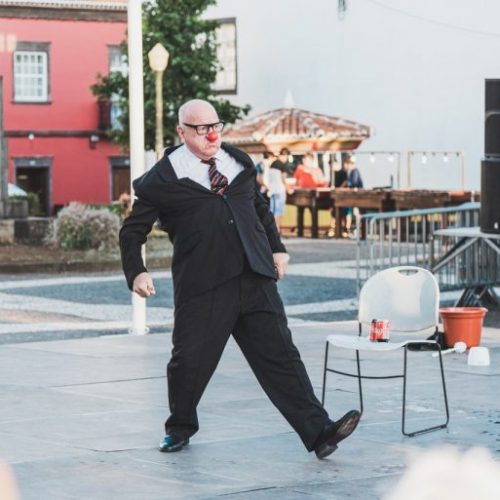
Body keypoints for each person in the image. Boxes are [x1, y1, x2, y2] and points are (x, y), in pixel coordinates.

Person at [119, 99, 360, 459]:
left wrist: (277, 248)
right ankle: (179, 428)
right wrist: (136, 271)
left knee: (281, 356)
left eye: (214, 125)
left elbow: (259, 210)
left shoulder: (238, 162)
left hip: (255, 277)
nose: (211, 134)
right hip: (204, 286)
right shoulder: (163, 178)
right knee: (189, 361)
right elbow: (131, 231)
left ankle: (319, 432)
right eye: (200, 129)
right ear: (182, 132)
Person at [268, 147, 291, 233]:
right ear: (285, 155)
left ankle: (272, 230)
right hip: (280, 191)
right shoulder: (283, 165)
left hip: (272, 191)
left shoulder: (272, 164)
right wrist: (289, 189)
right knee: (279, 211)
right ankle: (277, 230)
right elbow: (283, 179)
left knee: (273, 211)